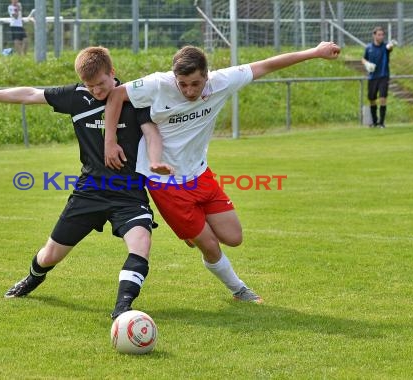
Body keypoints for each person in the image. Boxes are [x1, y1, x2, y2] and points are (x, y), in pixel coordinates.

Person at [103, 41, 341, 304]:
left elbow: (266, 65)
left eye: (195, 83)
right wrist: (110, 141)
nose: (189, 90)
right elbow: (116, 95)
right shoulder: (158, 84)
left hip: (200, 175)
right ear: (174, 78)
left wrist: (315, 52)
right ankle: (239, 289)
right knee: (211, 245)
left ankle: (192, 232)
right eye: (182, 84)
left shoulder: (222, 81)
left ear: (207, 74)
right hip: (165, 183)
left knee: (234, 237)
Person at [0, 46, 171, 320]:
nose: (96, 91)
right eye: (90, 85)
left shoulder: (135, 98)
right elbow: (30, 94)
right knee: (49, 256)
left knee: (141, 243)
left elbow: (152, 133)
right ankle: (33, 278)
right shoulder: (76, 98)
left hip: (128, 194)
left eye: (101, 84)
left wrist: (155, 161)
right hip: (89, 193)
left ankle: (123, 309)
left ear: (113, 73)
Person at [362, 26, 397, 128]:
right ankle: (374, 122)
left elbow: (389, 48)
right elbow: (363, 59)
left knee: (382, 98)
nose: (381, 37)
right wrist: (367, 64)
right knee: (372, 99)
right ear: (374, 35)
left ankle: (381, 122)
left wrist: (391, 45)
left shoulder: (385, 47)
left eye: (382, 35)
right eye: (379, 34)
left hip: (383, 76)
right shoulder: (369, 48)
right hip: (372, 77)